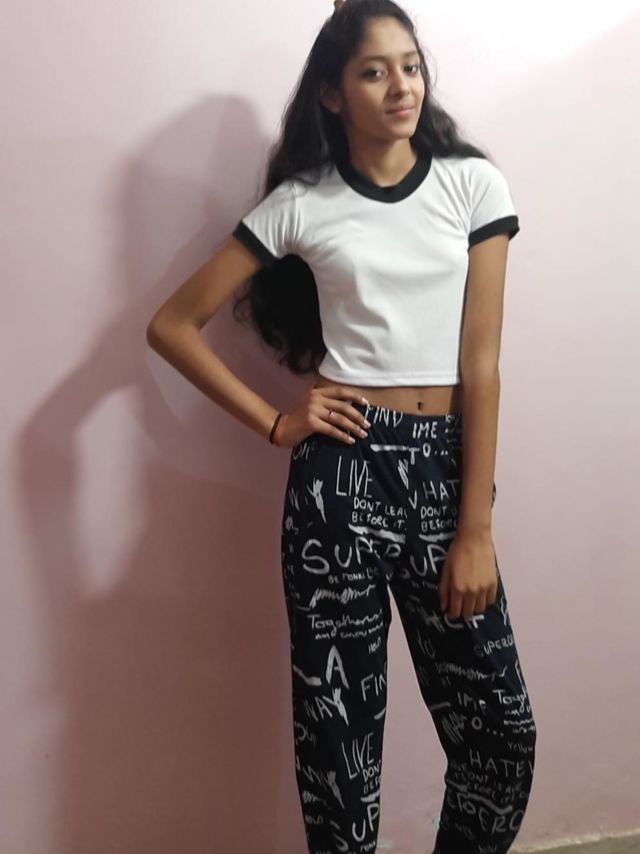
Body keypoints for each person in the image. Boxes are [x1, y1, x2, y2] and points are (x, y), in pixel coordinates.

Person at [146, 0, 537, 851]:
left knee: (502, 738)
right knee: (339, 761)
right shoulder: (304, 203)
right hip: (339, 481)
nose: (401, 86)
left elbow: (481, 369)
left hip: (442, 473)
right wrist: (275, 422)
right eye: (373, 71)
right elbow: (171, 326)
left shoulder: (473, 185)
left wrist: (474, 528)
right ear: (332, 93)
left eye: (410, 65)